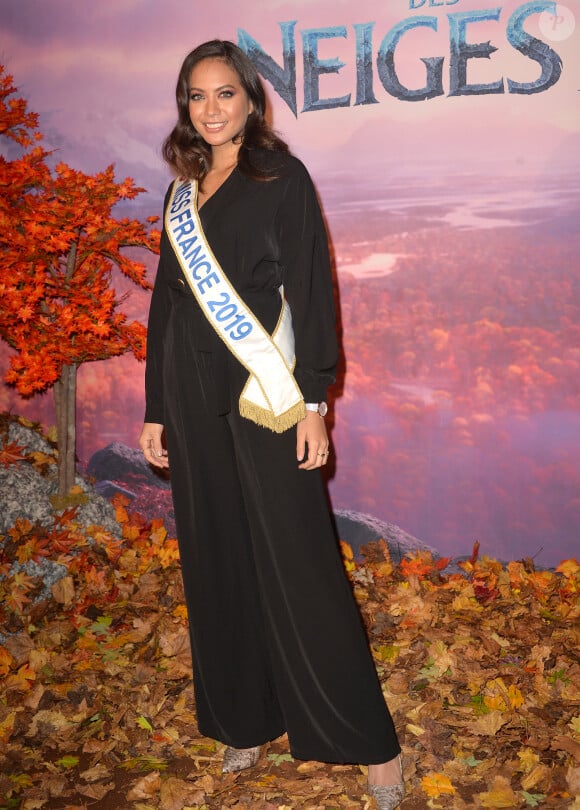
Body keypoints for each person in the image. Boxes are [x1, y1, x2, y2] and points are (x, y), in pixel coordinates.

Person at [138, 40, 404, 809]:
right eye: (197, 96)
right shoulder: (180, 190)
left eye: (226, 93)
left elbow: (314, 292)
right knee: (215, 554)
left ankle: (368, 742)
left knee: (299, 560)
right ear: (184, 105)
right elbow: (165, 305)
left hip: (266, 392)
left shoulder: (281, 178)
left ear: (252, 101)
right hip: (190, 393)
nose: (211, 109)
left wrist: (316, 402)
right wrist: (156, 405)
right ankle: (243, 720)